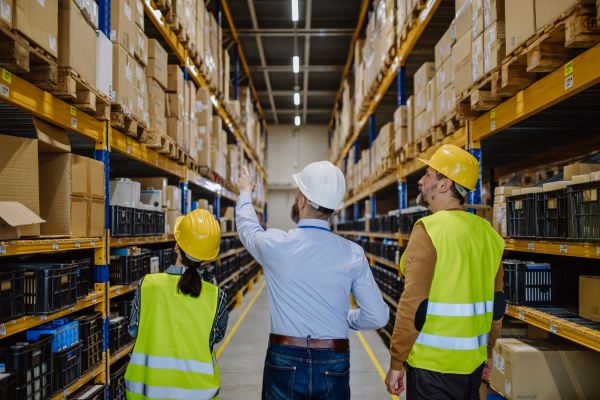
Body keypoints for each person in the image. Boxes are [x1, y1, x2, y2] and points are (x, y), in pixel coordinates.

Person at [235, 163, 389, 400]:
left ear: (303, 201)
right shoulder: (353, 253)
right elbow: (378, 316)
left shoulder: (276, 245)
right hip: (333, 359)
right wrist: (347, 317)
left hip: (284, 357)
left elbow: (247, 227)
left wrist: (245, 193)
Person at [384, 144, 505, 400]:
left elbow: (412, 305)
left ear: (444, 184)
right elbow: (497, 305)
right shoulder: (488, 234)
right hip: (472, 365)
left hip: (432, 369)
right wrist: (489, 351)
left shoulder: (429, 230)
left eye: (428, 174)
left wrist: (397, 362)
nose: (421, 180)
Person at [124, 208, 228, 400]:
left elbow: (134, 330)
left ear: (176, 246)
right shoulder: (216, 297)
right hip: (197, 393)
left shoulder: (147, 285)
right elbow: (215, 337)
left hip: (147, 392)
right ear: (206, 258)